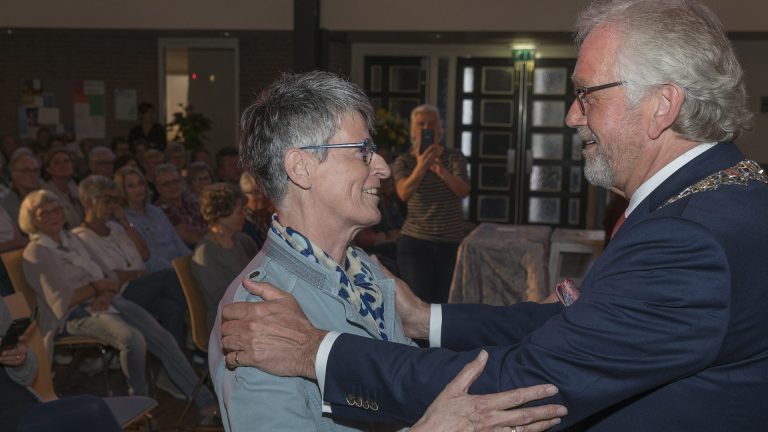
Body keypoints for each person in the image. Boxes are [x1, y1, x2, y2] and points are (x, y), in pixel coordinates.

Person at [218, 0, 768, 430]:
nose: (573, 115)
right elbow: (571, 331)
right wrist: (425, 320)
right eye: (363, 151)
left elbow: (531, 376)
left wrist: (315, 351)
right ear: (301, 168)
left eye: (587, 95)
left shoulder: (688, 237)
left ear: (662, 105)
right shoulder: (263, 305)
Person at [209, 71, 565, 432]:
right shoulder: (259, 316)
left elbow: (405, 383)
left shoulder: (364, 269)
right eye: (362, 152)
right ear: (301, 167)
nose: (381, 167)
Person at [19, 189, 217, 416]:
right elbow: (63, 302)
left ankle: (204, 401)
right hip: (72, 315)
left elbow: (108, 275)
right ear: (31, 220)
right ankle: (141, 405)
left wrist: (104, 293)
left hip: (106, 300)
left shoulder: (71, 238)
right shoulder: (36, 252)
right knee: (133, 339)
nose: (53, 216)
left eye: (56, 210)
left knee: (162, 337)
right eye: (44, 213)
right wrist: (98, 288)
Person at [72, 175, 188, 347]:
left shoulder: (117, 227)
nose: (113, 206)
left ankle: (178, 364)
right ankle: (202, 328)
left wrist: (126, 224)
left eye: (115, 200)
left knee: (172, 309)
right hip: (118, 295)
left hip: (140, 288)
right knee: (169, 276)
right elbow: (109, 276)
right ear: (89, 203)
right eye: (107, 201)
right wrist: (140, 273)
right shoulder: (81, 238)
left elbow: (144, 254)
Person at [0, 299, 123, 432]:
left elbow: (27, 376)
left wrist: (19, 359)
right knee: (92, 410)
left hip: (23, 401)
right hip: (9, 417)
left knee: (92, 411)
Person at [392, 105, 470, 303]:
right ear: (413, 130)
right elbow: (403, 193)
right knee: (419, 304)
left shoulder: (454, 157)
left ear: (440, 129)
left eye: (432, 123)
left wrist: (439, 169)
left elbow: (463, 190)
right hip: (415, 243)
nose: (427, 127)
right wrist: (421, 166)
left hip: (450, 243)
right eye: (421, 124)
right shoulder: (404, 161)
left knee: (445, 303)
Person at [192, 183, 258, 333]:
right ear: (221, 216)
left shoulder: (243, 241)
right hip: (227, 321)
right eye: (239, 212)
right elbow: (222, 298)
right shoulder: (205, 253)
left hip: (254, 309)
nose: (244, 216)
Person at [115, 166, 190, 273]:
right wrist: (177, 270)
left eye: (140, 183)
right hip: (161, 272)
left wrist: (192, 261)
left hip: (180, 265)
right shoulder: (124, 220)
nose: (138, 189)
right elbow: (149, 258)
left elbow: (177, 240)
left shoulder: (157, 211)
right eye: (131, 186)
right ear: (122, 190)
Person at [154, 163, 207, 247]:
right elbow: (189, 237)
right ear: (158, 188)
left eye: (175, 181)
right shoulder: (160, 210)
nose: (173, 186)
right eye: (167, 184)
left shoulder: (192, 202)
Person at [41, 148, 83, 229]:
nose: (63, 165)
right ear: (48, 169)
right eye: (57, 163)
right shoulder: (46, 193)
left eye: (66, 161)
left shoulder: (75, 188)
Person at [1, 149, 42, 227]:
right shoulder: (6, 205)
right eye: (25, 171)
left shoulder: (44, 197)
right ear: (13, 173)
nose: (32, 175)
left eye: (35, 170)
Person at [238, 172, 273, 249]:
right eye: (255, 192)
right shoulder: (242, 225)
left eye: (264, 190)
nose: (261, 196)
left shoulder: (271, 219)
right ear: (244, 196)